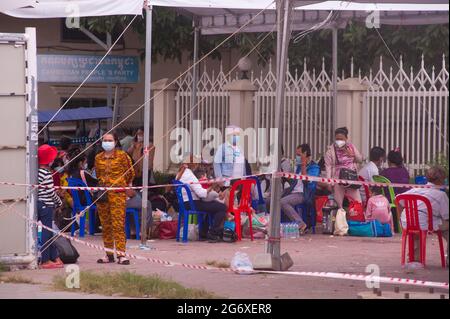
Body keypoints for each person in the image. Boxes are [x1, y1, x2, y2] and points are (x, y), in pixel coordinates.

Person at [95, 132, 135, 265]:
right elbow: (98, 174)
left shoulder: (122, 156)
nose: (107, 142)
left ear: (116, 141)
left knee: (118, 224)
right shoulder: (98, 157)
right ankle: (109, 254)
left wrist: (122, 184)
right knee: (105, 225)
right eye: (105, 140)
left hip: (118, 194)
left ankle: (121, 255)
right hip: (103, 194)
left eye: (109, 140)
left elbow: (130, 173)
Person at [399, 166, 449, 266]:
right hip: (424, 224)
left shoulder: (415, 190)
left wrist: (400, 219)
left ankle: (415, 259)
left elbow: (399, 200)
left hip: (407, 222)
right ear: (441, 179)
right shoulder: (441, 195)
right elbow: (446, 216)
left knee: (419, 225)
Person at [176, 157, 227, 242]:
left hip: (185, 203)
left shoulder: (180, 173)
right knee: (222, 207)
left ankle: (204, 232)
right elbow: (202, 194)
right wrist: (213, 186)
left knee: (212, 204)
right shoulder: (189, 175)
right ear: (193, 164)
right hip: (193, 204)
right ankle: (213, 233)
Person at [280, 144, 320, 233]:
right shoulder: (297, 167)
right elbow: (294, 182)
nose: (297, 157)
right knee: (270, 200)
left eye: (299, 155)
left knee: (282, 202)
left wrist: (303, 165)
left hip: (303, 194)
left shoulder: (314, 167)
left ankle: (300, 223)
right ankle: (270, 225)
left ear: (305, 154)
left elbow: (306, 182)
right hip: (292, 191)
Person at [37, 145, 64, 269]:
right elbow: (51, 192)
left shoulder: (36, 171)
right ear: (49, 160)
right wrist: (59, 202)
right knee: (47, 232)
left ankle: (54, 257)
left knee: (48, 232)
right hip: (46, 205)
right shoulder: (47, 174)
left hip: (37, 203)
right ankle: (45, 260)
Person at [324, 127, 363, 208]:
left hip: (351, 179)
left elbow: (360, 160)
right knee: (338, 203)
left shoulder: (351, 147)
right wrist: (329, 182)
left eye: (341, 139)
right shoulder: (330, 151)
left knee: (357, 202)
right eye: (337, 139)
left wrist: (352, 154)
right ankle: (339, 219)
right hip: (338, 179)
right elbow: (328, 167)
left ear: (346, 138)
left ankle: (356, 219)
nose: (339, 141)